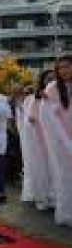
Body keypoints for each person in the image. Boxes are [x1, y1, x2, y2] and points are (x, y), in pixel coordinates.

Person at [40, 56, 72, 226]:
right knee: (64, 177)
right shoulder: (52, 88)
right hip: (61, 141)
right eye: (60, 68)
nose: (64, 71)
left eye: (67, 66)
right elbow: (48, 118)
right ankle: (66, 214)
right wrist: (65, 142)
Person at [21, 70, 55, 210]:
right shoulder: (33, 99)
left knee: (55, 171)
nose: (51, 82)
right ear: (42, 81)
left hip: (56, 141)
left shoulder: (61, 95)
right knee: (42, 170)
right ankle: (43, 198)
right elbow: (28, 120)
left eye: (53, 79)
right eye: (48, 79)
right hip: (38, 142)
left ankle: (56, 198)